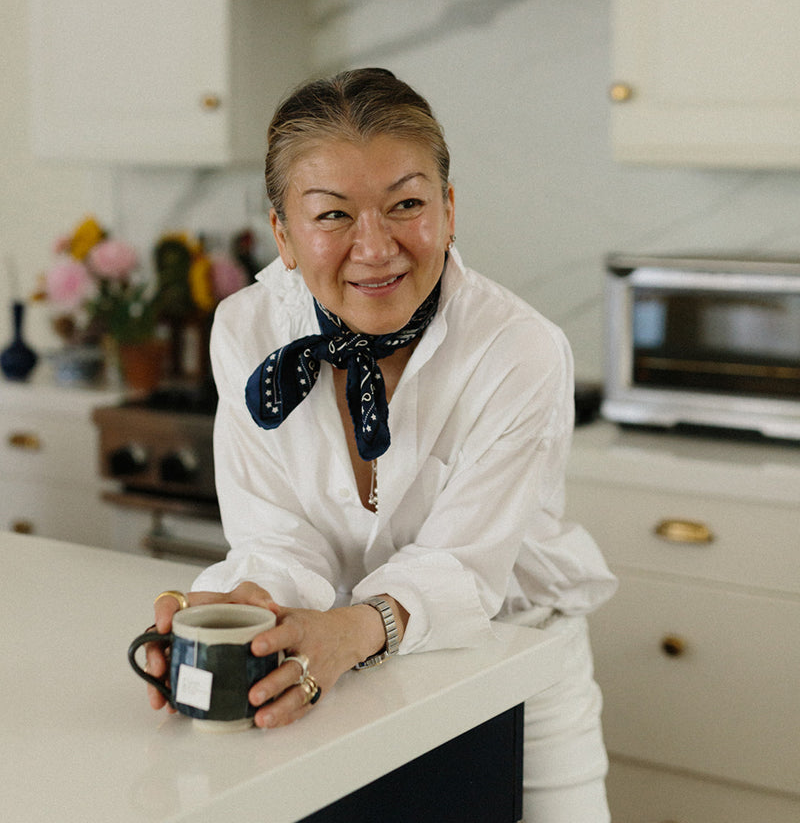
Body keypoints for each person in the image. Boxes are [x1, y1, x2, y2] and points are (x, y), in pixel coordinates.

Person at [146, 68, 617, 822]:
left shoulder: (518, 349)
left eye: (406, 205)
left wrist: (350, 633)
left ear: (449, 210)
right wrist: (248, 607)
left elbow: (463, 565)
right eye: (333, 214)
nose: (375, 248)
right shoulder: (245, 329)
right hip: (350, 675)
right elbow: (278, 539)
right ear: (283, 234)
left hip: (517, 662)